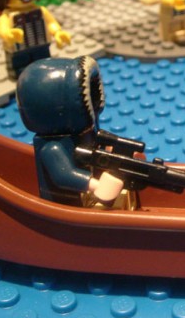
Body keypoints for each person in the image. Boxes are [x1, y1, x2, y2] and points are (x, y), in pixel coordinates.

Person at [16, 57, 124, 207]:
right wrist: (96, 185)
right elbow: (63, 175)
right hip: (67, 204)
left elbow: (97, 150)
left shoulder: (86, 132)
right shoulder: (52, 148)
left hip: (88, 196)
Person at [0, 0, 71, 79]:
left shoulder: (41, 11)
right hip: (19, 50)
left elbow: (51, 23)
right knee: (21, 69)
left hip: (41, 45)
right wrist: (8, 35)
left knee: (44, 64)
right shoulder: (6, 16)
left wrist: (57, 32)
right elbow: (3, 29)